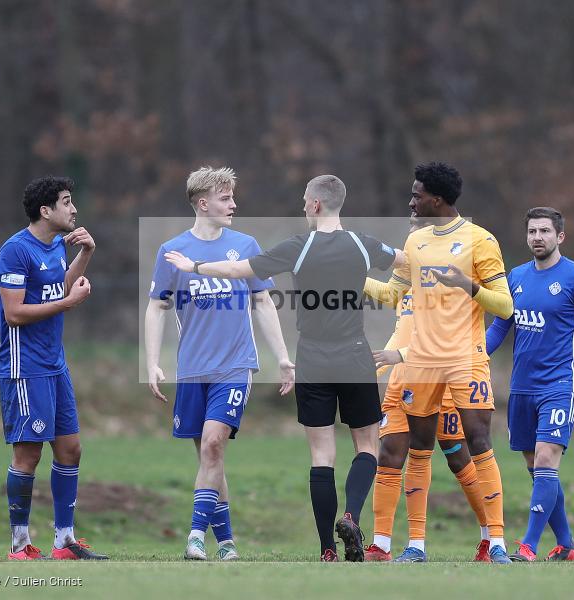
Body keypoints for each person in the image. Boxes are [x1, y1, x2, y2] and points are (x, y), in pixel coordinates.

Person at [165, 174, 404, 562]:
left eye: (303, 202)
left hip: (312, 357)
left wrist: (194, 265)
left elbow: (240, 270)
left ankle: (327, 549)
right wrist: (394, 292)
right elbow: (409, 262)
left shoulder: (299, 246)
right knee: (366, 445)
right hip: (356, 355)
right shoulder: (364, 245)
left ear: (314, 205)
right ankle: (351, 515)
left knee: (321, 455)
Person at [367, 162, 514, 563]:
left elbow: (505, 305)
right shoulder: (415, 243)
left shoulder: (480, 240)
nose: (410, 201)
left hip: (466, 358)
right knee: (419, 446)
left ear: (436, 199)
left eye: (416, 194)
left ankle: (496, 542)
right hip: (421, 362)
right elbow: (395, 293)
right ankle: (415, 546)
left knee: (477, 441)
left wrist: (468, 286)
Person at [145, 166, 294, 561]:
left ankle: (195, 536)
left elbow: (263, 302)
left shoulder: (245, 245)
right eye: (226, 197)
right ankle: (226, 542)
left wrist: (282, 357)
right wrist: (152, 363)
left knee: (213, 443)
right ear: (203, 202)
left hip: (235, 365)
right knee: (210, 459)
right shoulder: (173, 252)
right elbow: (157, 307)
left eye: (232, 196)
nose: (234, 204)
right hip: (192, 369)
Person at [485, 207, 574, 562]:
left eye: (545, 231)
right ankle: (567, 545)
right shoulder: (516, 277)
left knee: (545, 459)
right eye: (532, 231)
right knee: (536, 467)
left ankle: (527, 546)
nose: (537, 237)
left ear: (560, 237)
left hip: (560, 384)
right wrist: (475, 357)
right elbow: (499, 328)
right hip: (522, 387)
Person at [0, 175, 107, 560]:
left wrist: (86, 255)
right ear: (46, 211)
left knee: (71, 449)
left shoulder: (59, 245)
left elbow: (57, 287)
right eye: (66, 202)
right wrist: (68, 304)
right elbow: (13, 314)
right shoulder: (15, 251)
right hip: (24, 367)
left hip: (55, 364)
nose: (74, 209)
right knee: (28, 455)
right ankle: (19, 545)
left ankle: (64, 542)